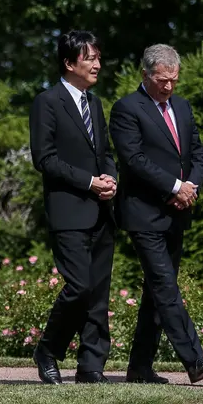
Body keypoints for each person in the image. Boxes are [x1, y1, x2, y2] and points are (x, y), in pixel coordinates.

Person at [109, 44, 203, 385]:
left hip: (177, 212)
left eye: (173, 80)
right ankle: (195, 360)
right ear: (145, 75)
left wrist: (191, 186)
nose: (168, 87)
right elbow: (134, 160)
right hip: (144, 213)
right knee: (164, 285)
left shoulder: (182, 107)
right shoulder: (127, 109)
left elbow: (197, 151)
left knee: (157, 292)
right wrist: (174, 186)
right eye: (161, 80)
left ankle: (139, 368)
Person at [29, 30, 117, 384]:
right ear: (69, 63)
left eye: (98, 57)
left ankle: (91, 365)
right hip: (68, 210)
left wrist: (110, 178)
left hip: (101, 210)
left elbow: (105, 153)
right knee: (79, 287)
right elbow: (45, 159)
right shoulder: (46, 102)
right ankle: (48, 350)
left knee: (98, 292)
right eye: (90, 58)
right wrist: (88, 181)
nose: (97, 64)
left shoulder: (94, 103)